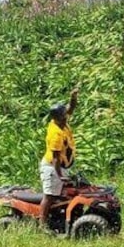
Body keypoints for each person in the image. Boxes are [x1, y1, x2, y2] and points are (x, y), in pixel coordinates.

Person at [38, 88, 78, 232]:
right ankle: (42, 225)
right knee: (49, 196)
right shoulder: (55, 133)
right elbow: (55, 159)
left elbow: (71, 108)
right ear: (58, 117)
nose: (67, 115)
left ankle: (59, 219)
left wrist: (73, 97)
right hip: (52, 167)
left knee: (64, 194)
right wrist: (60, 176)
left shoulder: (62, 122)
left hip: (63, 166)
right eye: (64, 114)